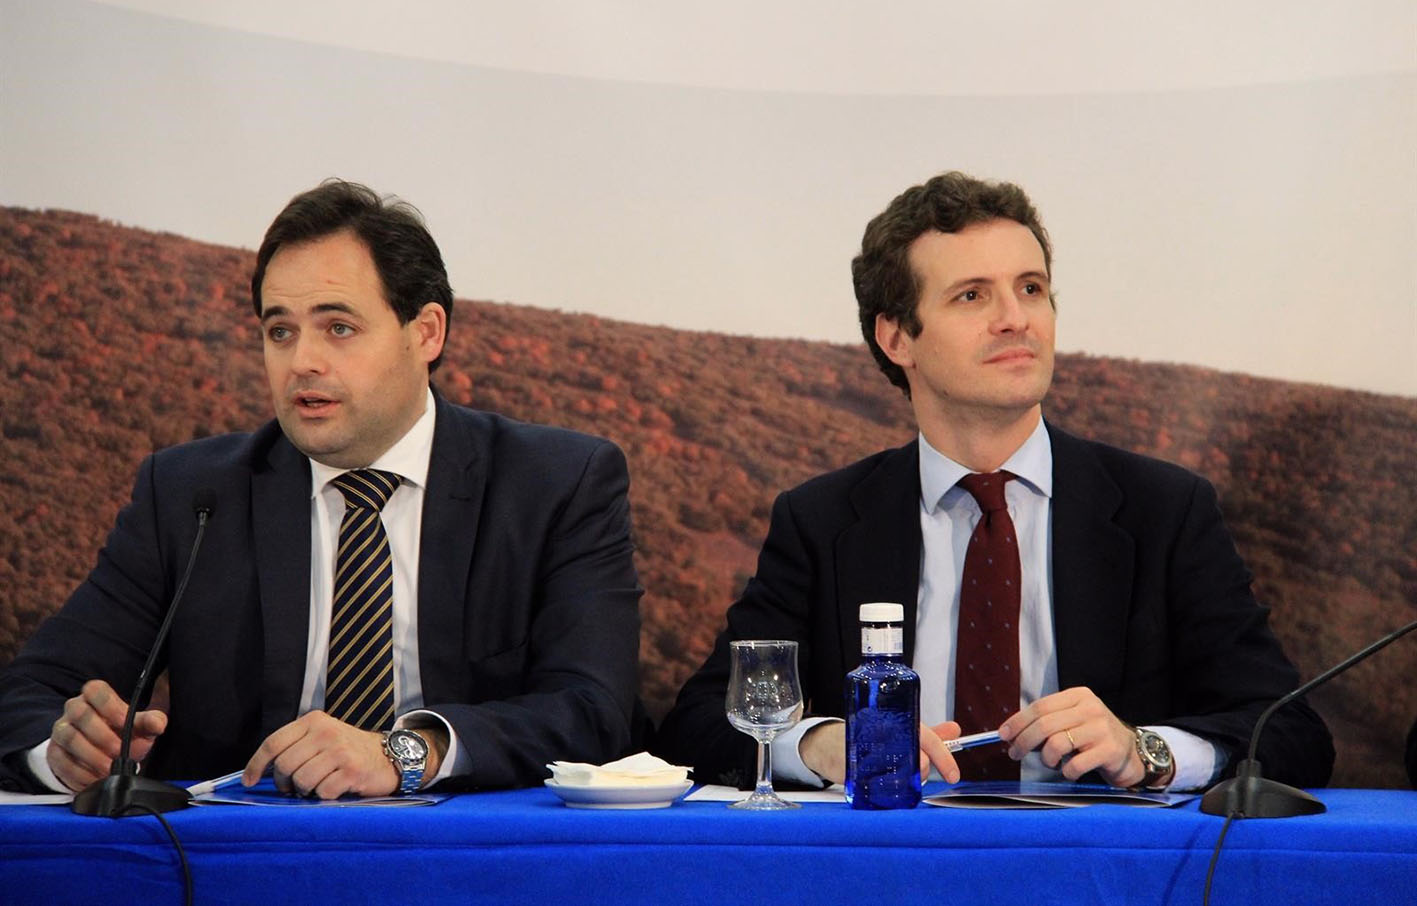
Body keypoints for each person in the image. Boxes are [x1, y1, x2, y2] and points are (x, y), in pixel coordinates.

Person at [654, 171, 1333, 793]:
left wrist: (1143, 751)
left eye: (1030, 288)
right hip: (887, 867)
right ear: (897, 340)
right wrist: (821, 745)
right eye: (972, 295)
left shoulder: (1163, 511)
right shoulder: (823, 522)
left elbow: (1293, 734)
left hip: (1097, 870)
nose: (1016, 317)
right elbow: (700, 723)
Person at [0, 180, 644, 799]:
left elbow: (591, 708)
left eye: (337, 327)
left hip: (471, 857)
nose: (301, 360)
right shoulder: (191, 496)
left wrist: (406, 752)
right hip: (237, 862)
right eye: (279, 331)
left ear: (426, 333)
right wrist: (59, 753)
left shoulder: (554, 484)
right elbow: (33, 690)